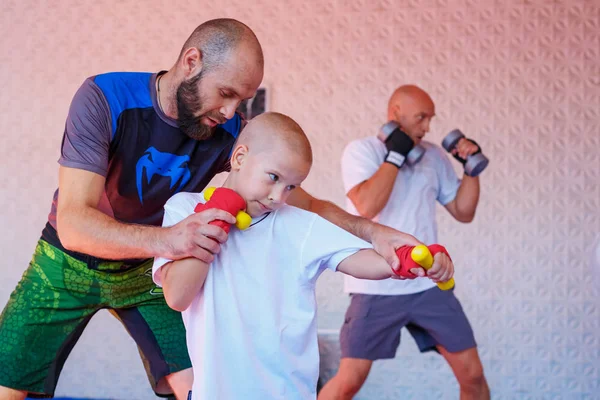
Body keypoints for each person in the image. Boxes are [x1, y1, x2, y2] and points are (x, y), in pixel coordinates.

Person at [0, 20, 420, 400]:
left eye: (242, 100)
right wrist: (171, 238)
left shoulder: (233, 134)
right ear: (191, 61)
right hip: (65, 261)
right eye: (226, 93)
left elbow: (305, 204)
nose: (230, 112)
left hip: (147, 267)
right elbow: (75, 223)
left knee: (197, 383)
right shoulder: (105, 98)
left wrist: (374, 233)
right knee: (7, 380)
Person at [151, 112, 455, 400]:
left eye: (291, 186)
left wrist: (410, 261)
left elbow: (361, 260)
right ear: (240, 158)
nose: (278, 196)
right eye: (273, 177)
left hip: (287, 391)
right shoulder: (185, 210)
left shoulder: (297, 224)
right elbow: (178, 296)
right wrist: (217, 215)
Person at [318, 85, 490, 400]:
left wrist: (471, 168)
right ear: (395, 113)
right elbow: (367, 205)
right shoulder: (362, 151)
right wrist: (395, 155)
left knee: (473, 376)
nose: (427, 128)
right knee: (349, 382)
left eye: (430, 119)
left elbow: (464, 212)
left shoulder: (435, 156)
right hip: (376, 288)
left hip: (427, 286)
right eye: (421, 118)